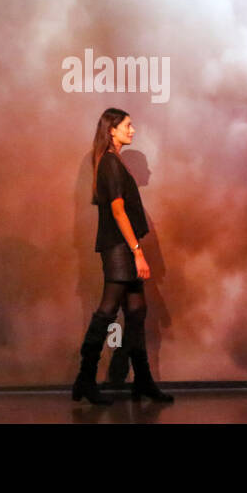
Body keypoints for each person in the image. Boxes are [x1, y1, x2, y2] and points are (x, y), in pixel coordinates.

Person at [71, 108, 174, 404]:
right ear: (112, 130)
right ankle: (85, 380)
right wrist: (137, 253)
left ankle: (141, 380)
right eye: (128, 125)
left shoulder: (111, 163)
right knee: (107, 311)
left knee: (137, 313)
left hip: (121, 249)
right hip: (119, 249)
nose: (133, 130)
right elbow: (118, 212)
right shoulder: (111, 165)